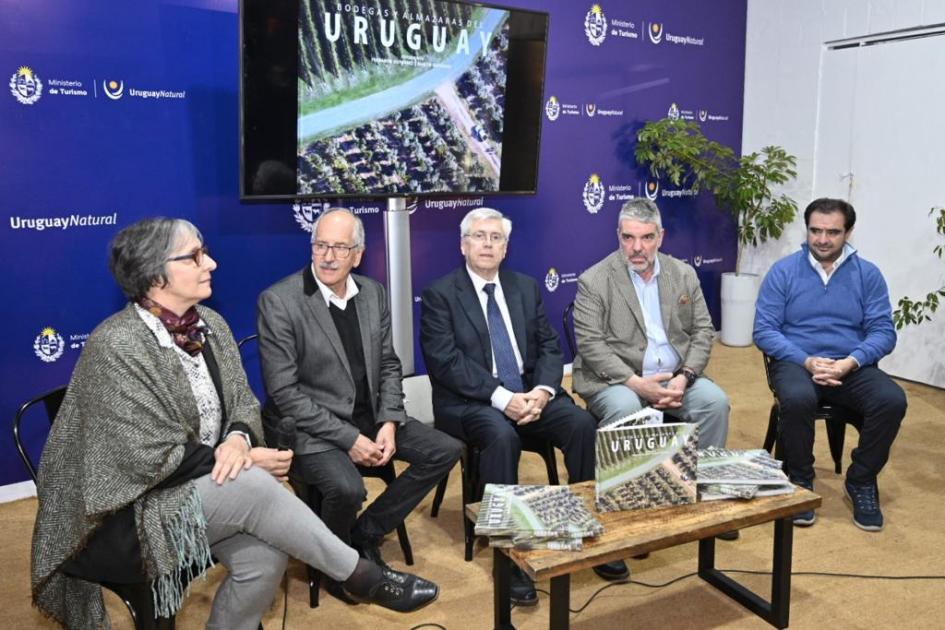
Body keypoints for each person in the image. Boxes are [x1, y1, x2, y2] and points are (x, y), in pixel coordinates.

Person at [30, 218, 437, 630]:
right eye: (195, 256)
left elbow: (243, 400)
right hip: (122, 514)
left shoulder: (208, 324)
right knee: (254, 484)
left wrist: (240, 439)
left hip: (201, 488)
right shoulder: (117, 344)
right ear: (154, 274)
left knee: (265, 556)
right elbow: (142, 456)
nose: (212, 264)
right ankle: (359, 574)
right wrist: (246, 462)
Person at [420, 207, 624, 607]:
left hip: (531, 394)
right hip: (471, 402)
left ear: (506, 247)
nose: (487, 244)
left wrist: (544, 392)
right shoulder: (440, 294)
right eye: (479, 236)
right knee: (501, 437)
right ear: (463, 245)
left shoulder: (525, 287)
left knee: (582, 425)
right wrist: (503, 399)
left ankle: (589, 532)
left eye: (495, 238)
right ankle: (508, 556)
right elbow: (446, 363)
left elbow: (549, 346)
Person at [256, 208, 462, 602]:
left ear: (358, 254)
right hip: (311, 429)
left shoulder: (373, 293)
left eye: (339, 247)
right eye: (320, 245)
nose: (328, 256)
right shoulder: (280, 301)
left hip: (370, 419)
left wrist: (388, 421)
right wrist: (350, 438)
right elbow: (284, 394)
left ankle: (359, 537)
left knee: (444, 451)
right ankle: (339, 569)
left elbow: (388, 363)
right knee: (347, 488)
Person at [754, 198, 907, 531]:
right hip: (797, 361)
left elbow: (883, 332)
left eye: (833, 232)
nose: (822, 239)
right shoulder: (784, 271)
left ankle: (861, 480)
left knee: (892, 400)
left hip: (850, 365)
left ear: (848, 232)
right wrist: (806, 360)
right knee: (796, 398)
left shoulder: (867, 274)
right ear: (806, 229)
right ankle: (800, 479)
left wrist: (850, 362)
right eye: (815, 231)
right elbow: (764, 330)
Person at [572, 198, 730, 447]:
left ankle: (699, 482)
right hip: (618, 381)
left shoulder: (683, 274)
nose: (637, 247)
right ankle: (626, 485)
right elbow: (591, 344)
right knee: (626, 408)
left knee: (715, 402)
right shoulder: (594, 281)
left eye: (646, 237)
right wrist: (637, 384)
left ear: (661, 237)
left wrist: (685, 377)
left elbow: (702, 330)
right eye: (628, 238)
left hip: (675, 378)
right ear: (618, 236)